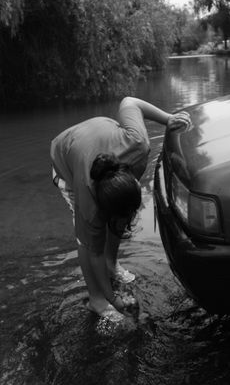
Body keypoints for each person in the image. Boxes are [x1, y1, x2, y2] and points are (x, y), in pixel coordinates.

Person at [50, 96, 191, 319]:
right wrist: (113, 300)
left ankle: (112, 264)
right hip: (66, 157)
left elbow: (130, 102)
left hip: (99, 141)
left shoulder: (138, 144)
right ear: (102, 207)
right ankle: (96, 300)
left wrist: (169, 118)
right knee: (87, 241)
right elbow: (92, 251)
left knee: (120, 216)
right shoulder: (89, 203)